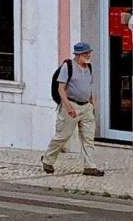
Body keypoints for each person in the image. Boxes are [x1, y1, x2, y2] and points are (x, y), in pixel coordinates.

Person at [42, 41, 103, 176]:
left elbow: (88, 87)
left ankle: (90, 166)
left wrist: (91, 104)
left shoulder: (89, 67)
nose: (89, 55)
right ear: (78, 55)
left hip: (86, 107)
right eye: (86, 53)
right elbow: (61, 89)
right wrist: (68, 107)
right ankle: (48, 160)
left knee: (88, 138)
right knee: (63, 136)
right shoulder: (67, 67)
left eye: (89, 53)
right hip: (71, 105)